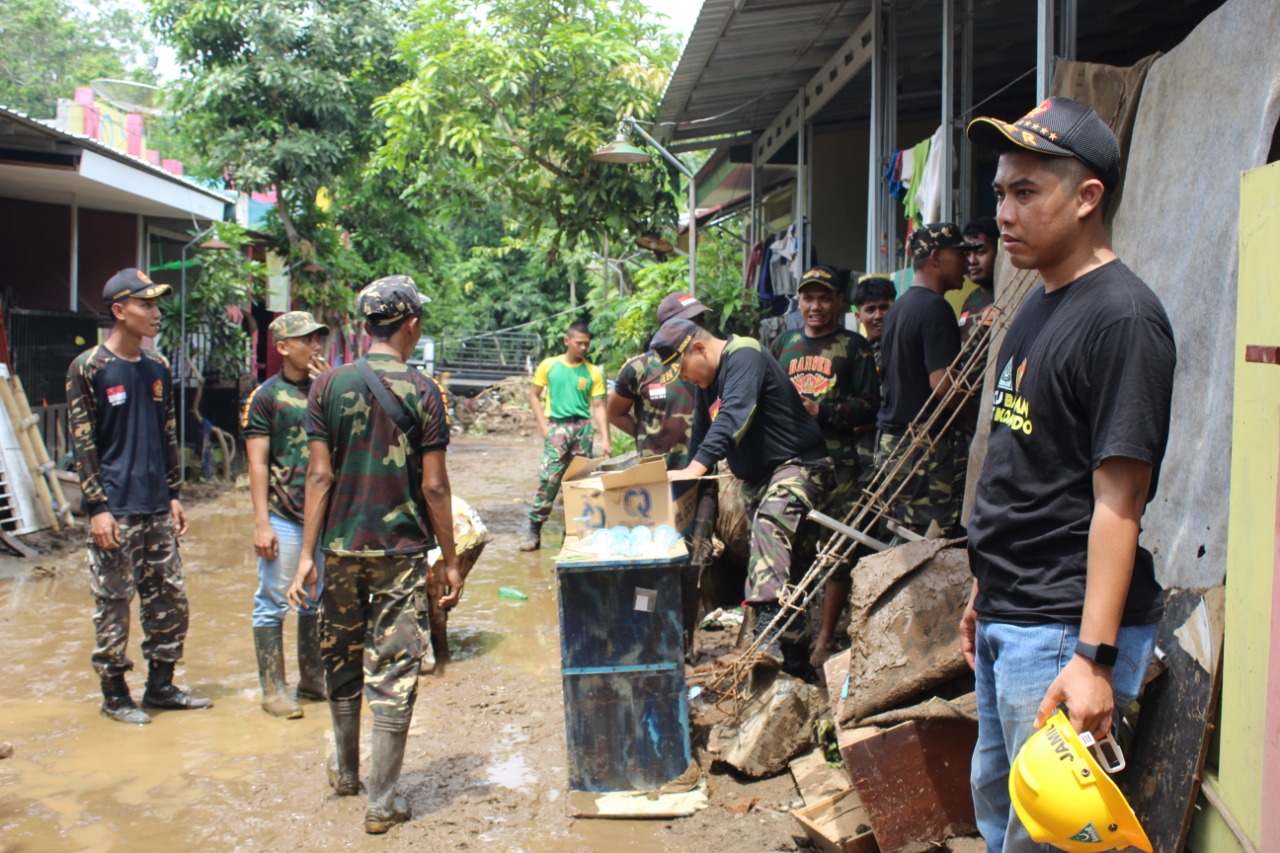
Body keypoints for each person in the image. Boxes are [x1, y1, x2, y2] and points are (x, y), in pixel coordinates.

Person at [961, 96, 1176, 852]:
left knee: (1045, 840)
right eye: (999, 193)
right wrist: (986, 588)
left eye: (1026, 192)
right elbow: (1026, 467)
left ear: (1088, 198)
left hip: (1058, 632)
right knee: (1001, 814)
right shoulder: (1037, 304)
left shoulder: (1124, 320)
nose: (1003, 214)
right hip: (1009, 615)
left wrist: (1091, 659)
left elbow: (1119, 503)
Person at [286, 275, 460, 834]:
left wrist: (306, 555)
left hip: (337, 547)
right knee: (394, 667)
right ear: (409, 324)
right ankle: (382, 802)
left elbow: (319, 475)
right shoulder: (426, 391)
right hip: (399, 550)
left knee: (340, 656)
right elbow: (434, 488)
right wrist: (451, 559)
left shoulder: (326, 386)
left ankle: (345, 773)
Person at [67, 267, 212, 725]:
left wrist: (174, 493)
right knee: (113, 605)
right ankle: (114, 695)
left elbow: (167, 432)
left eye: (156, 304)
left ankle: (161, 686)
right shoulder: (88, 367)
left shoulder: (159, 367)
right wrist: (97, 507)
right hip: (116, 510)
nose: (156, 313)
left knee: (170, 600)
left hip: (156, 506)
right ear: (119, 311)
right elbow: (83, 443)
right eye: (145, 305)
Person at [651, 317, 833, 667]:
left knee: (770, 524)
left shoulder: (744, 353)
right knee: (780, 563)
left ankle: (767, 632)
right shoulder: (707, 382)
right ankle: (795, 664)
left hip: (799, 465)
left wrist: (693, 469)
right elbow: (700, 441)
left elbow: (734, 415)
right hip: (759, 478)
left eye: (684, 370)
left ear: (700, 348)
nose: (685, 380)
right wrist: (691, 492)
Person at [769, 266, 881, 667]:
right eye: (808, 298)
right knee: (794, 552)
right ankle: (794, 644)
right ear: (798, 302)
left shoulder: (854, 347)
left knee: (837, 555)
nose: (815, 306)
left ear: (838, 303)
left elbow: (872, 404)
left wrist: (825, 410)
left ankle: (826, 638)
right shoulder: (783, 344)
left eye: (824, 298)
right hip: (794, 466)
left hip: (840, 468)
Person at [242, 310, 331, 719]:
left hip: (322, 513)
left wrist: (328, 386)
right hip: (283, 511)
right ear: (282, 347)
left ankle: (312, 680)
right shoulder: (267, 396)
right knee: (273, 599)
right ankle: (273, 689)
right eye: (306, 340)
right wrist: (262, 523)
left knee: (313, 598)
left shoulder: (325, 390)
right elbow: (258, 463)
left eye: (318, 339)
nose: (315, 346)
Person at [875, 223, 979, 540]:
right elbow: (942, 384)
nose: (966, 261)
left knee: (906, 534)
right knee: (929, 540)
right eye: (959, 254)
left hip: (893, 443)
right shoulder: (936, 309)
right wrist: (977, 419)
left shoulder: (899, 309)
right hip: (922, 447)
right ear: (936, 257)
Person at [517, 321, 610, 551]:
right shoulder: (550, 366)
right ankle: (534, 530)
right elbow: (534, 395)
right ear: (567, 341)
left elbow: (598, 406)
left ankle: (570, 534)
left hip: (583, 429)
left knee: (579, 483)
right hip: (557, 428)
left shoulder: (592, 372)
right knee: (549, 480)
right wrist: (542, 426)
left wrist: (605, 438)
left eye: (587, 344)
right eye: (579, 343)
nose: (583, 348)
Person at [606, 292, 705, 470]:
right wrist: (648, 437)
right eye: (692, 320)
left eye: (701, 318)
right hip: (657, 473)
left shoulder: (712, 365)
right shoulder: (640, 368)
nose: (701, 327)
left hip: (702, 471)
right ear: (670, 325)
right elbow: (614, 413)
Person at [960, 216, 1000, 344]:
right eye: (967, 254)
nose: (972, 261)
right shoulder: (972, 298)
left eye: (981, 252)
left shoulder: (1006, 297)